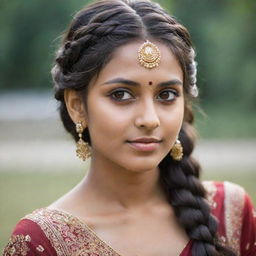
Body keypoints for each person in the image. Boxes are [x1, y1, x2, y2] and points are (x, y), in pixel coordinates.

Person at [3, 0, 256, 255]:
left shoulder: (229, 213)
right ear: (77, 105)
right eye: (121, 94)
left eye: (166, 94)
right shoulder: (42, 242)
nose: (149, 119)